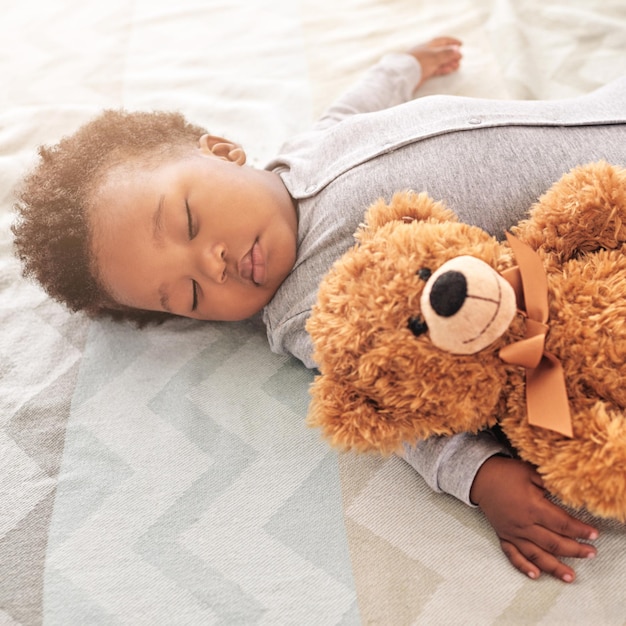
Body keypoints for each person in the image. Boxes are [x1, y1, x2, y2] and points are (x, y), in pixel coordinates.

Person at [14, 36, 626, 583]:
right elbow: (399, 402)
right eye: (191, 295)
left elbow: (353, 106)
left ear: (224, 152)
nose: (214, 262)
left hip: (596, 114)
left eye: (190, 220)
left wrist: (403, 66)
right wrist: (479, 477)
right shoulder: (310, 311)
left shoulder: (307, 147)